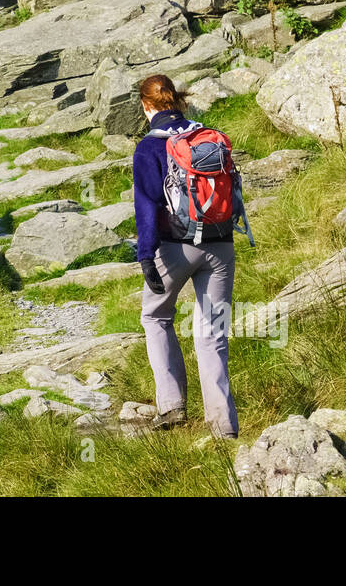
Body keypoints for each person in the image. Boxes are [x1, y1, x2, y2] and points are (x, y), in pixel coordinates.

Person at [132, 73, 239, 438]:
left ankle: (172, 406)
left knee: (156, 315)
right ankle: (224, 428)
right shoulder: (207, 135)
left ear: (146, 105)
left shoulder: (149, 146)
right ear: (176, 99)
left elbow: (146, 205)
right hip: (222, 243)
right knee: (213, 333)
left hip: (175, 246)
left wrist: (146, 255)